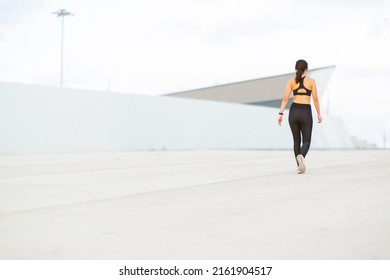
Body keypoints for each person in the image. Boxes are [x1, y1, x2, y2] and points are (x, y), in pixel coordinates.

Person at [278, 59, 322, 174]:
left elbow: (285, 99)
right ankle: (302, 156)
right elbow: (316, 99)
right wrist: (318, 114)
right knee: (306, 140)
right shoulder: (311, 81)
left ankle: (299, 167)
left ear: (296, 69)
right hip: (305, 112)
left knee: (296, 141)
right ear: (306, 69)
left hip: (294, 112)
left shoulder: (291, 82)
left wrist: (280, 113)